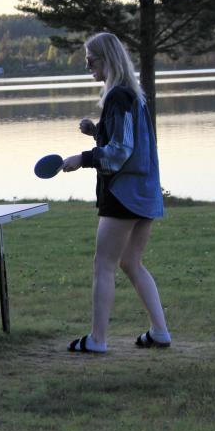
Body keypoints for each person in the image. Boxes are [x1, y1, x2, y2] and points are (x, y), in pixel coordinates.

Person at [61, 32, 171, 353]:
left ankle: (97, 339)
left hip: (124, 195)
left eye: (90, 61)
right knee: (131, 262)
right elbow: (127, 141)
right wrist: (97, 132)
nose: (87, 67)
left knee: (103, 264)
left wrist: (81, 159)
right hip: (145, 194)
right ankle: (160, 332)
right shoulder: (133, 96)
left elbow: (120, 152)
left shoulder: (119, 96)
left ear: (107, 59)